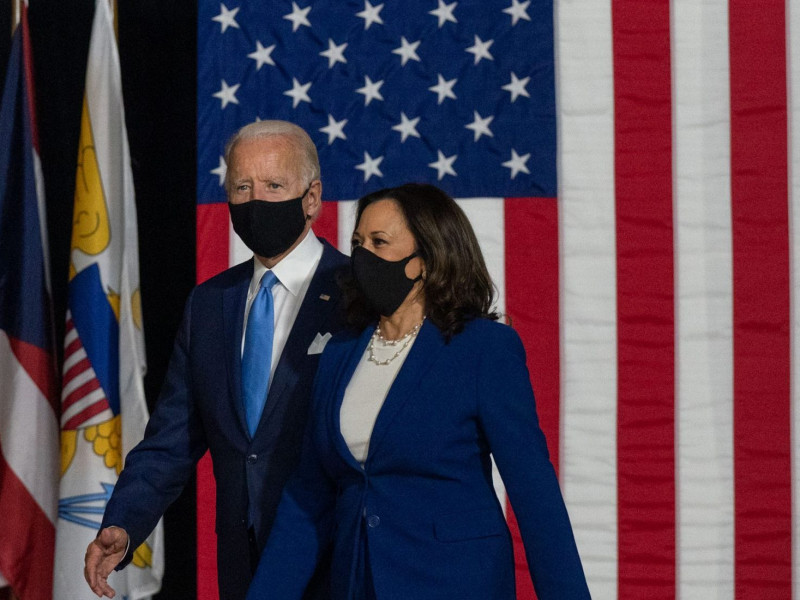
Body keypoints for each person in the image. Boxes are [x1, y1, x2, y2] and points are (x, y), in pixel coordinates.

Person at [245, 183, 591, 600]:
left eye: (379, 242)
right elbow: (308, 497)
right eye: (357, 242)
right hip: (358, 583)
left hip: (455, 583)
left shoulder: (483, 349)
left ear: (424, 261)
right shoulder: (337, 353)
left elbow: (534, 493)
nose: (361, 255)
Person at [84, 120, 349, 600]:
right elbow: (172, 438)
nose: (255, 201)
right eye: (242, 187)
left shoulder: (357, 296)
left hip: (333, 562)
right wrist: (124, 521)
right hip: (241, 568)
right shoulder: (209, 303)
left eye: (273, 186)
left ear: (312, 199)